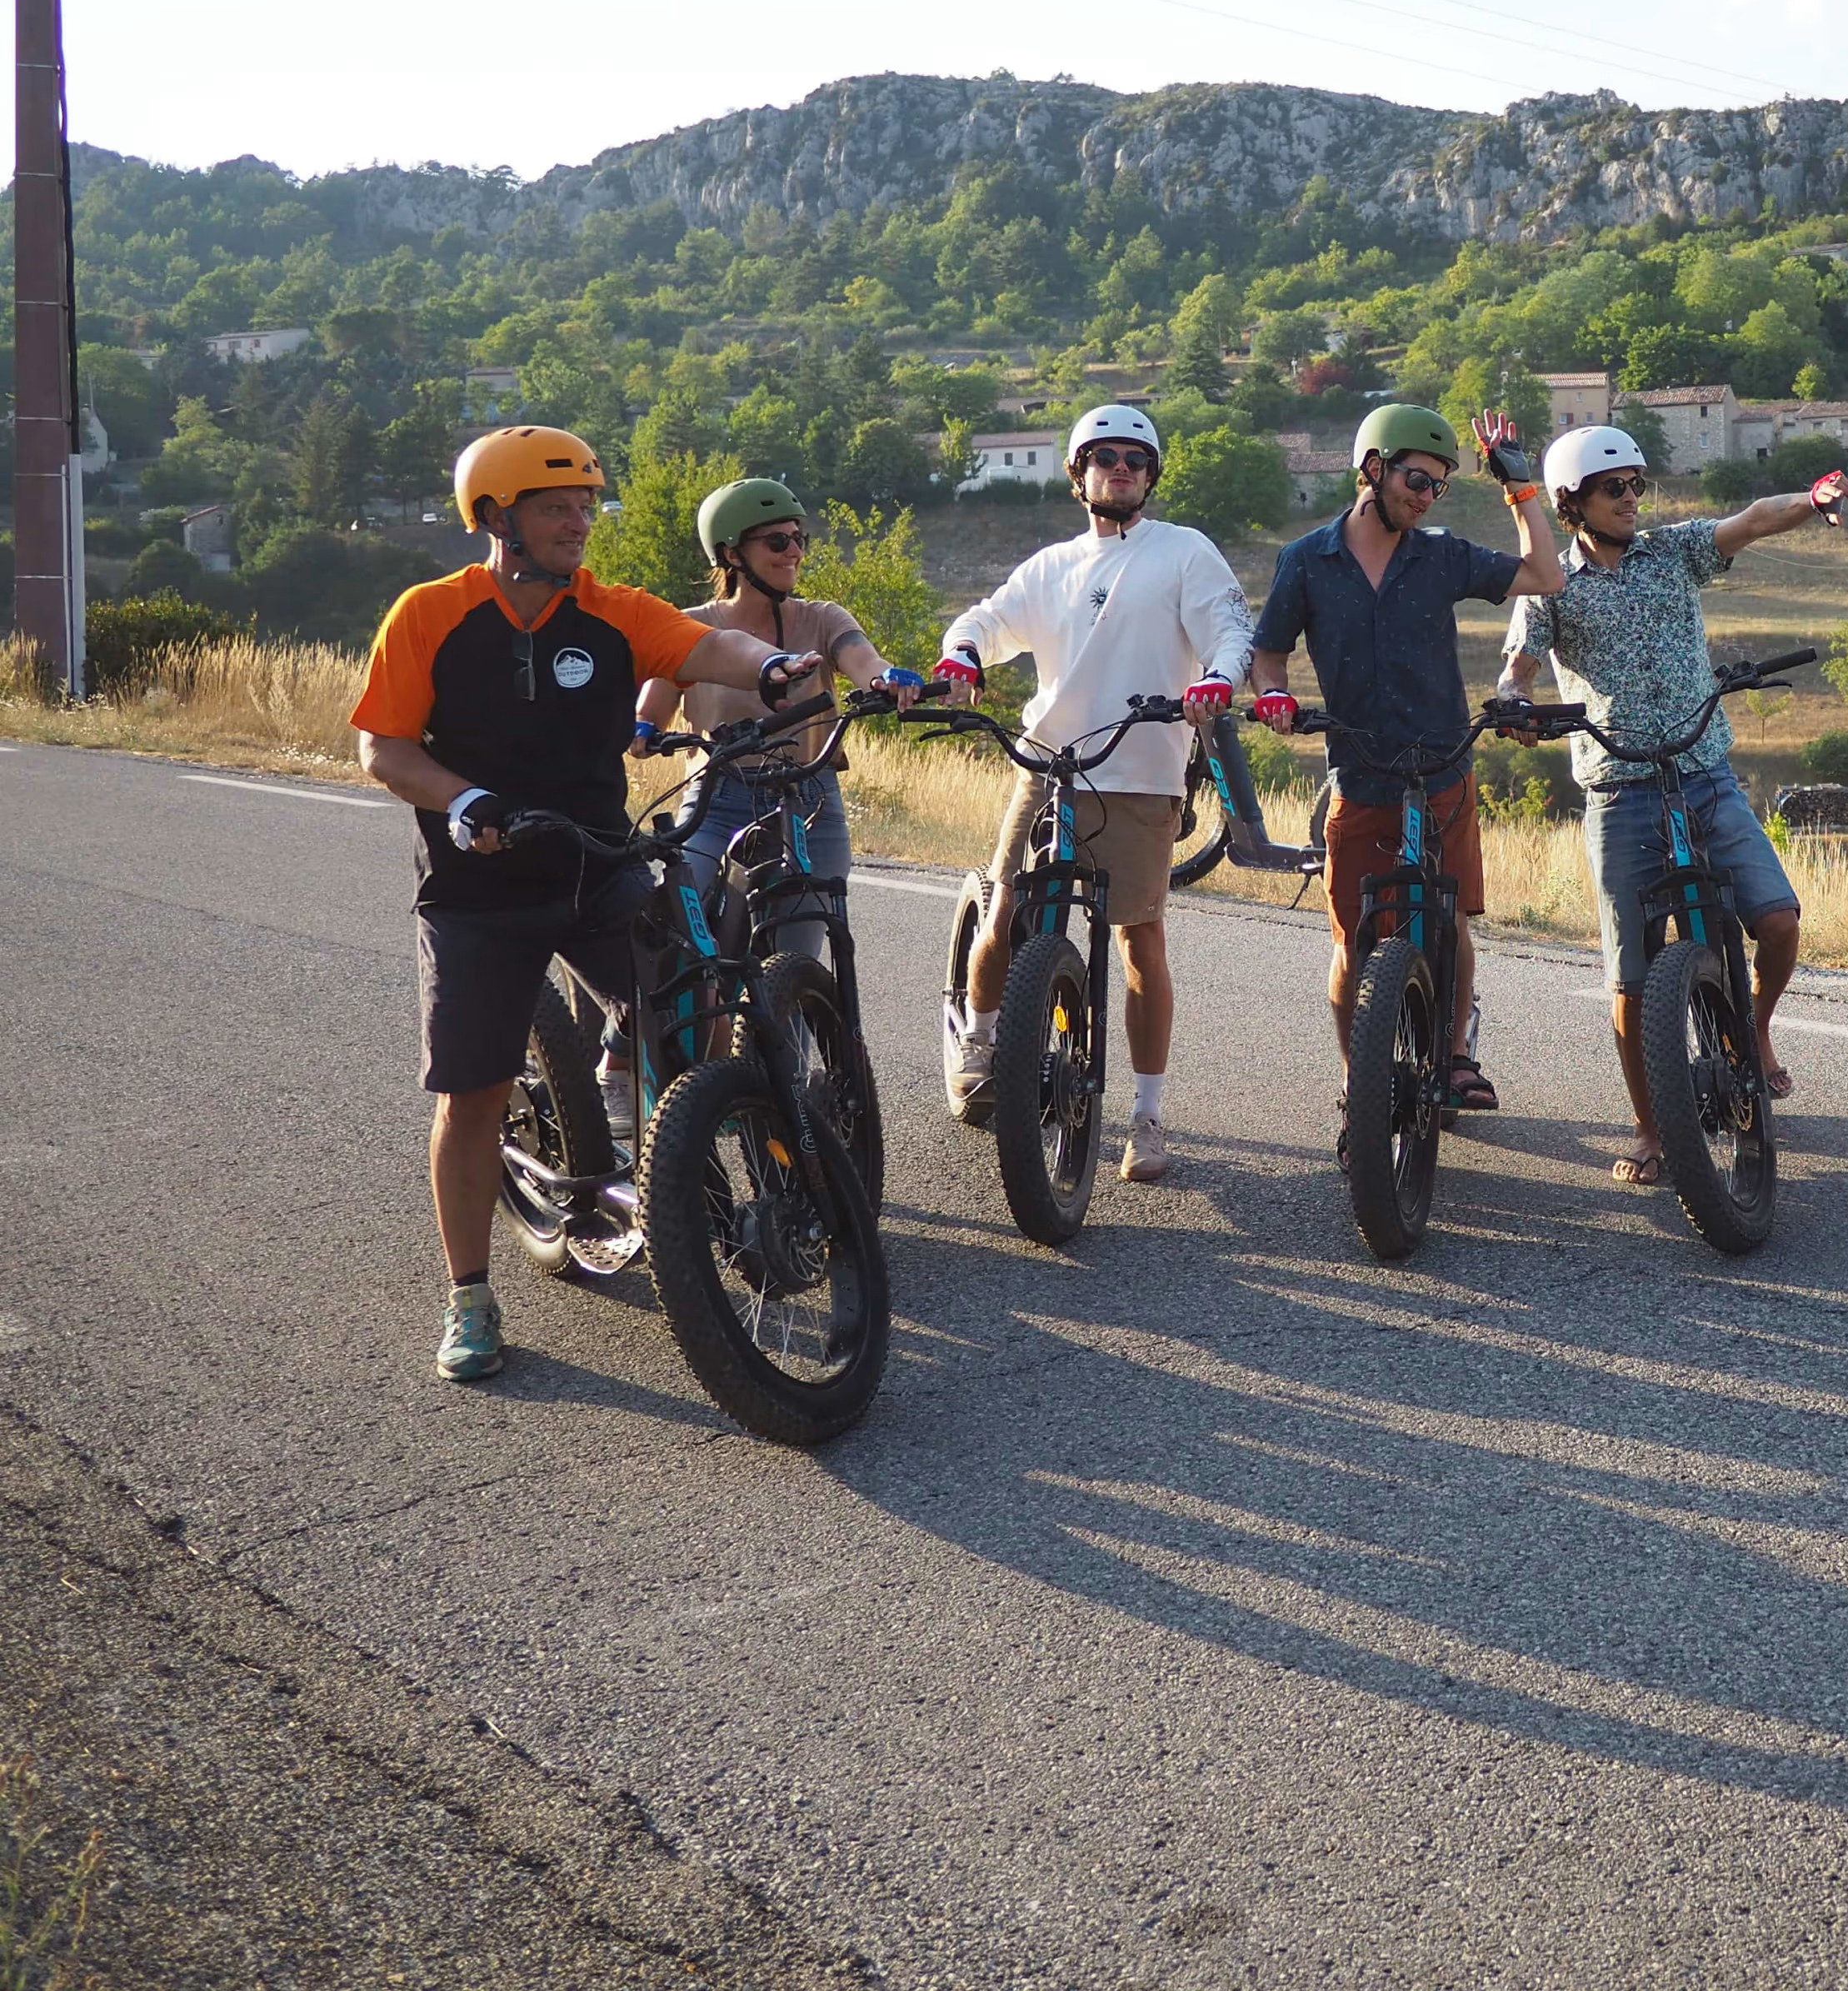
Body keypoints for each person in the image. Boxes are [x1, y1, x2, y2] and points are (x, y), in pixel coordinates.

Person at [352, 427, 825, 1385]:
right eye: (556, 508)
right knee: (473, 1095)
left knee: (691, 1016)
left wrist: (769, 670)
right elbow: (384, 749)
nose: (578, 523)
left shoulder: (611, 611)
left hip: (601, 867)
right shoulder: (430, 615)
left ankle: (679, 1190)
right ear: (496, 518)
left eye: (585, 507)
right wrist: (463, 799)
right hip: (478, 888)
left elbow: (706, 644)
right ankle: (471, 1297)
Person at [1496, 427, 1847, 1184]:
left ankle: (1752, 1030)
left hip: (1704, 776)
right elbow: (1518, 669)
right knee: (1630, 982)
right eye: (1612, 487)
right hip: (1619, 793)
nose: (1630, 498)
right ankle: (1650, 1129)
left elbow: (1752, 519)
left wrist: (1811, 501)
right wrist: (1513, 704)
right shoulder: (1555, 583)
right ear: (1572, 503)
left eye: (1636, 485)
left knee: (1779, 921)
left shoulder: (1673, 550)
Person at [932, 404, 1256, 1186]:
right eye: (1103, 457)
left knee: (1139, 938)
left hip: (1141, 770)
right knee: (1005, 907)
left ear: (1151, 476)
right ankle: (979, 1041)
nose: (1121, 469)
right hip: (1049, 762)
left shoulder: (1184, 552)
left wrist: (1217, 676)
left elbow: (1229, 630)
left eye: (1135, 460)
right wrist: (965, 652)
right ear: (1078, 473)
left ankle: (1145, 1115)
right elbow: (988, 619)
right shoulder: (1052, 566)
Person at [1246, 402, 1562, 1120]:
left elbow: (1546, 575)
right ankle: (1361, 1082)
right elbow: (1269, 654)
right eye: (1416, 480)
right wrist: (1273, 696)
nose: (1424, 497)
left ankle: (1455, 1056)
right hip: (1359, 770)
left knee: (1448, 920)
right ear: (1373, 469)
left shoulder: (1442, 554)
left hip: (1444, 766)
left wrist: (1519, 487)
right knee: (1354, 940)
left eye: (1437, 488)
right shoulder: (1307, 560)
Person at [632, 476, 918, 1001]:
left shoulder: (823, 617)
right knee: (674, 924)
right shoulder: (689, 627)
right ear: (731, 554)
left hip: (810, 803)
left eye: (798, 539)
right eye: (776, 541)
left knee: (796, 958)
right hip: (718, 800)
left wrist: (883, 678)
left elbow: (861, 657)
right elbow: (654, 702)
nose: (793, 552)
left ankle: (792, 1076)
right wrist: (645, 728)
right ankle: (621, 1061)